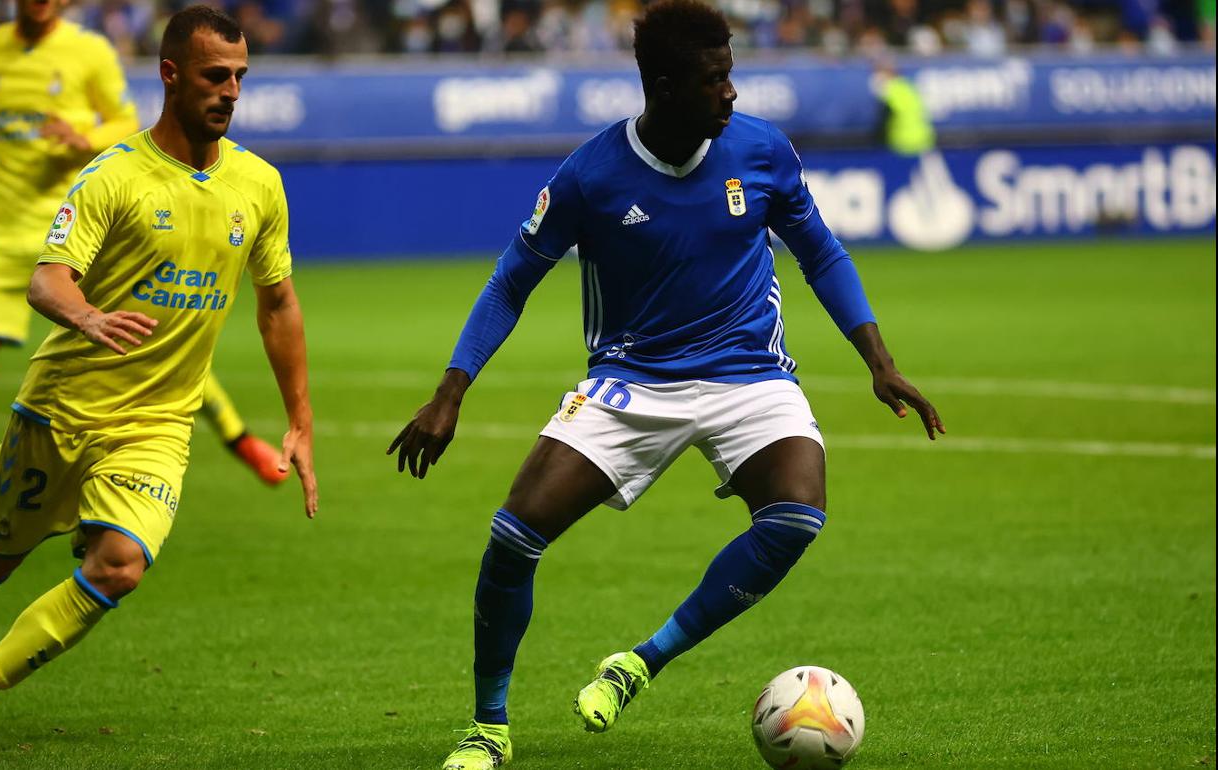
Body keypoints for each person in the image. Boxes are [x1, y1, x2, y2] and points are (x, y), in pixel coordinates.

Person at [388, 2, 943, 767]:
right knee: (514, 537)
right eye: (715, 80)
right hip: (632, 381)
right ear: (663, 84)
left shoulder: (763, 151)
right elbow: (511, 280)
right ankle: (488, 726)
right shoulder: (591, 175)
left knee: (798, 515)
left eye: (732, 75)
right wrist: (450, 393)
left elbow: (822, 252)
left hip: (750, 374)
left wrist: (877, 359)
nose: (732, 94)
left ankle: (640, 662)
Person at [0, 4, 317, 713]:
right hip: (62, 408)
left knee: (120, 567)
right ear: (170, 75)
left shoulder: (259, 186)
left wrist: (300, 422)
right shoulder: (114, 176)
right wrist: (89, 315)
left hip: (156, 426)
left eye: (240, 77)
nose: (231, 91)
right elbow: (47, 278)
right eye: (215, 76)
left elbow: (278, 303)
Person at [0, 0, 290, 497]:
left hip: (90, 228)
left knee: (157, 335)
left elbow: (124, 123)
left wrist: (82, 138)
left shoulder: (89, 52)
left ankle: (240, 439)